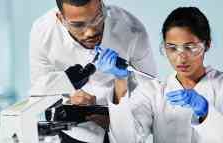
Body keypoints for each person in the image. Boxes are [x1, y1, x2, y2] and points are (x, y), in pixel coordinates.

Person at [29, 0, 157, 143]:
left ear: (102, 5)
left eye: (97, 19)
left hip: (121, 119)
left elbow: (150, 93)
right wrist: (68, 98)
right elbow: (40, 91)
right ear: (61, 19)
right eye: (78, 25)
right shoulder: (43, 32)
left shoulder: (132, 30)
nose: (90, 32)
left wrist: (120, 121)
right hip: (70, 123)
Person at [97, 7, 223, 143]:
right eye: (172, 48)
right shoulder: (153, 92)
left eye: (190, 47)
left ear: (207, 45)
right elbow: (126, 140)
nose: (181, 58)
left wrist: (205, 112)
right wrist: (120, 79)